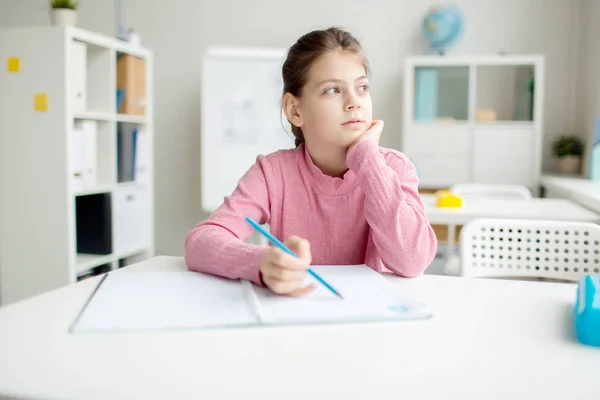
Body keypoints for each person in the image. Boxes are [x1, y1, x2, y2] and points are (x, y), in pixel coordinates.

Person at [185, 26, 437, 296]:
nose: (354, 102)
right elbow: (200, 243)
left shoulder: (393, 168)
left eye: (362, 87)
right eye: (332, 90)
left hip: (367, 318)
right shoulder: (273, 173)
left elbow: (413, 261)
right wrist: (259, 263)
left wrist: (367, 158)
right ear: (295, 110)